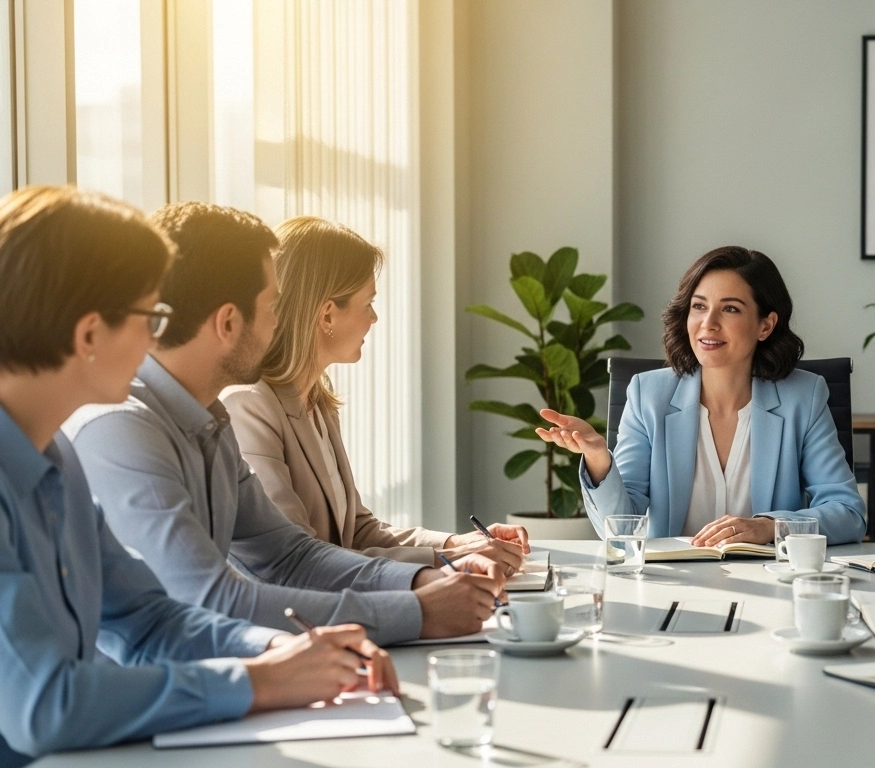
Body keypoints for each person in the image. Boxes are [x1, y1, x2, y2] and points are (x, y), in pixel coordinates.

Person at [0, 186, 397, 768]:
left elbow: (148, 619)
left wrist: (286, 649)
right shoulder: (88, 442)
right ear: (88, 336)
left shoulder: (57, 459)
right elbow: (45, 706)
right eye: (151, 317)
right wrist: (259, 681)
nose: (160, 337)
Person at [64, 202, 503, 646]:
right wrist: (417, 611)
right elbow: (211, 600)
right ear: (228, 322)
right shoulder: (122, 429)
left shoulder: (210, 421)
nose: (280, 323)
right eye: (272, 306)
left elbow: (289, 556)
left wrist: (423, 580)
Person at [222, 216, 528, 567]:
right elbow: (297, 559)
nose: (374, 318)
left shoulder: (317, 402)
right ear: (327, 315)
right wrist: (447, 559)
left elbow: (357, 529)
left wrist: (458, 542)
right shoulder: (250, 408)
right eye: (368, 303)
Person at [535, 246, 865, 544]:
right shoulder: (648, 395)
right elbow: (621, 529)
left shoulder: (803, 397)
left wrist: (769, 527)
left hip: (768, 579)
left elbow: (848, 513)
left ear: (765, 325)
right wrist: (597, 457)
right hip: (673, 580)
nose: (708, 323)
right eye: (699, 306)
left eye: (730, 309)